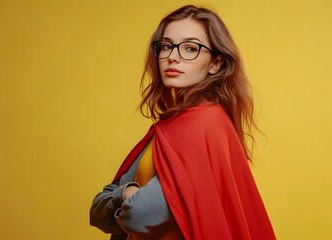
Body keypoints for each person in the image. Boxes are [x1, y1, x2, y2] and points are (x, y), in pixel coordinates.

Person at [90, 5, 276, 240]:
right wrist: (128, 191)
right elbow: (96, 212)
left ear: (215, 63)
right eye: (166, 46)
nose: (173, 57)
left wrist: (123, 198)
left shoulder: (203, 125)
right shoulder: (168, 128)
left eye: (190, 48)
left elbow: (138, 216)